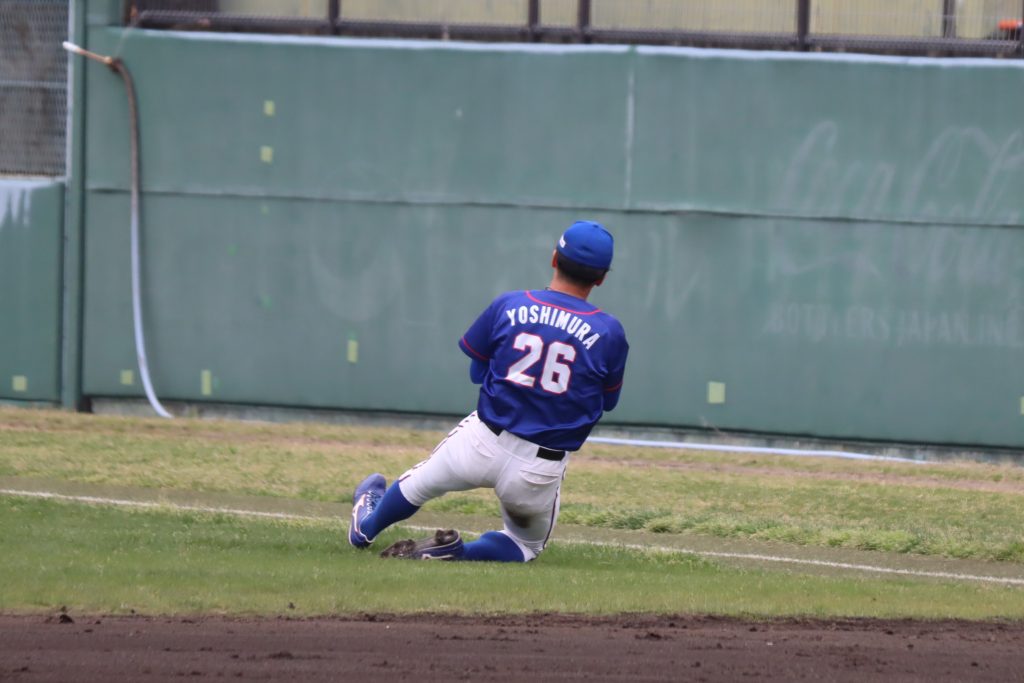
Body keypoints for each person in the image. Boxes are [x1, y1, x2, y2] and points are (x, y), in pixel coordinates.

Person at [348, 220, 629, 562]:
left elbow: (477, 372)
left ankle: (366, 527)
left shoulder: (511, 304)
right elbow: (607, 401)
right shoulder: (609, 332)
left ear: (554, 258)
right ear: (601, 278)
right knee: (525, 545)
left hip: (482, 439)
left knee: (417, 484)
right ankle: (458, 553)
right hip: (539, 465)